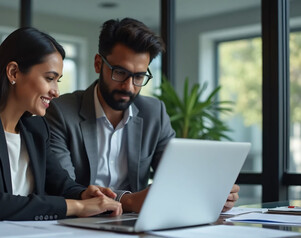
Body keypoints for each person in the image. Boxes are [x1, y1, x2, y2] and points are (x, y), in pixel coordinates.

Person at [0, 27, 122, 225]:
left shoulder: (36, 129)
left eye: (57, 80)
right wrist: (77, 207)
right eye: (49, 78)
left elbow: (61, 184)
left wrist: (84, 195)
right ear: (13, 72)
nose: (56, 92)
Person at [45, 18, 240, 213]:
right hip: (78, 223)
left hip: (135, 223)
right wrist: (127, 200)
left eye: (139, 76)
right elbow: (65, 188)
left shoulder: (154, 113)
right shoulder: (61, 111)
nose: (128, 87)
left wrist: (210, 193)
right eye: (120, 72)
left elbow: (177, 177)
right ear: (98, 64)